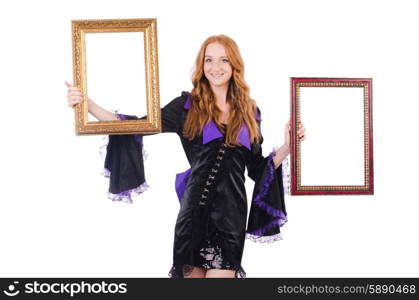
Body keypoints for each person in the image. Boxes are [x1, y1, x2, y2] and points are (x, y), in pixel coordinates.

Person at [66, 34, 306, 278]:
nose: (215, 67)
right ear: (201, 66)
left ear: (234, 65)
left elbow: (257, 169)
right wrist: (87, 104)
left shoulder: (250, 113)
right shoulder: (186, 106)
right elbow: (137, 125)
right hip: (193, 215)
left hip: (230, 218)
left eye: (223, 60)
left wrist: (287, 146)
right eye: (208, 60)